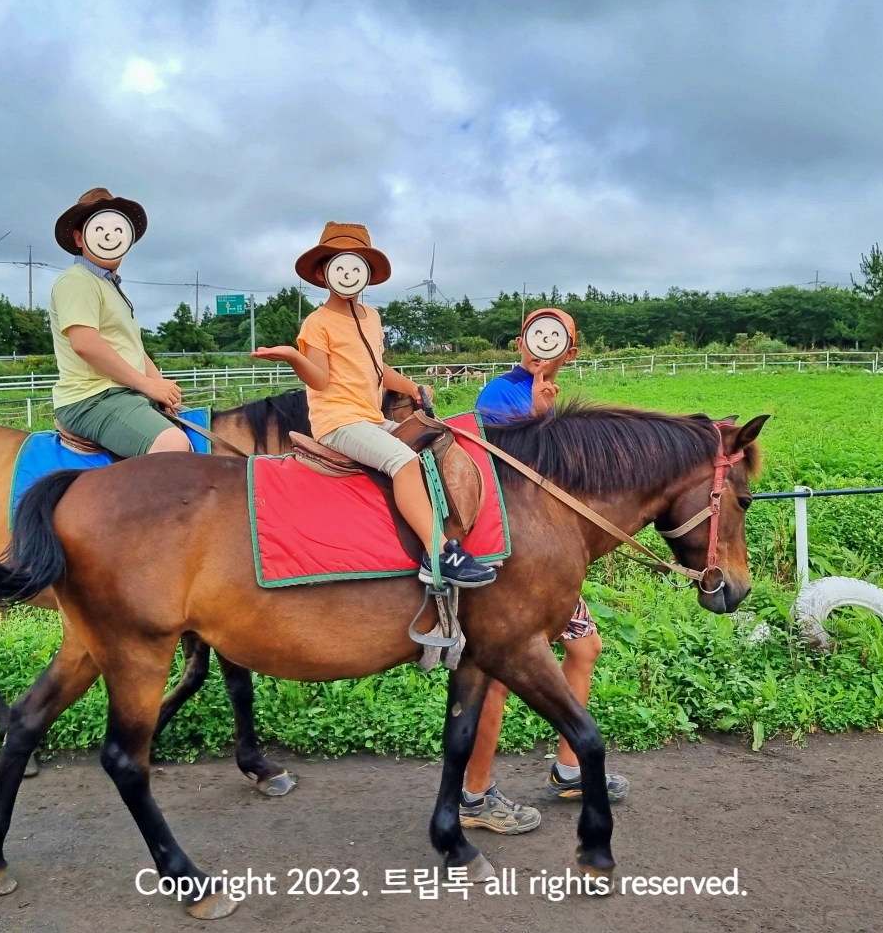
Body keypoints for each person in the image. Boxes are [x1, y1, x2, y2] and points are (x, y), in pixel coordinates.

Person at [459, 307, 629, 834]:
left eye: (553, 341)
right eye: (534, 338)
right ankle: (474, 795)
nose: (540, 348)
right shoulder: (498, 394)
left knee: (584, 647)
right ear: (520, 343)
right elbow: (505, 471)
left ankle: (569, 768)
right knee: (494, 678)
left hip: (539, 562)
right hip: (505, 559)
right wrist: (535, 412)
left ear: (569, 353)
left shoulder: (555, 398)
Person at [252, 222, 496, 588]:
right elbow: (319, 378)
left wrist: (412, 386)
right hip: (339, 422)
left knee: (436, 446)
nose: (348, 273)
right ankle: (438, 554)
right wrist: (291, 356)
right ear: (323, 273)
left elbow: (377, 369)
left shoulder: (372, 318)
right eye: (339, 265)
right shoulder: (316, 323)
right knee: (404, 461)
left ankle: (440, 530)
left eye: (355, 266)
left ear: (365, 273)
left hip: (371, 418)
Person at [48, 188, 191, 458]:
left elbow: (134, 347)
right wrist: (148, 386)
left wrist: (162, 387)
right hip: (92, 398)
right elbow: (85, 344)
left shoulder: (110, 287)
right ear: (80, 238)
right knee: (172, 444)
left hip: (124, 394)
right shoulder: (77, 280)